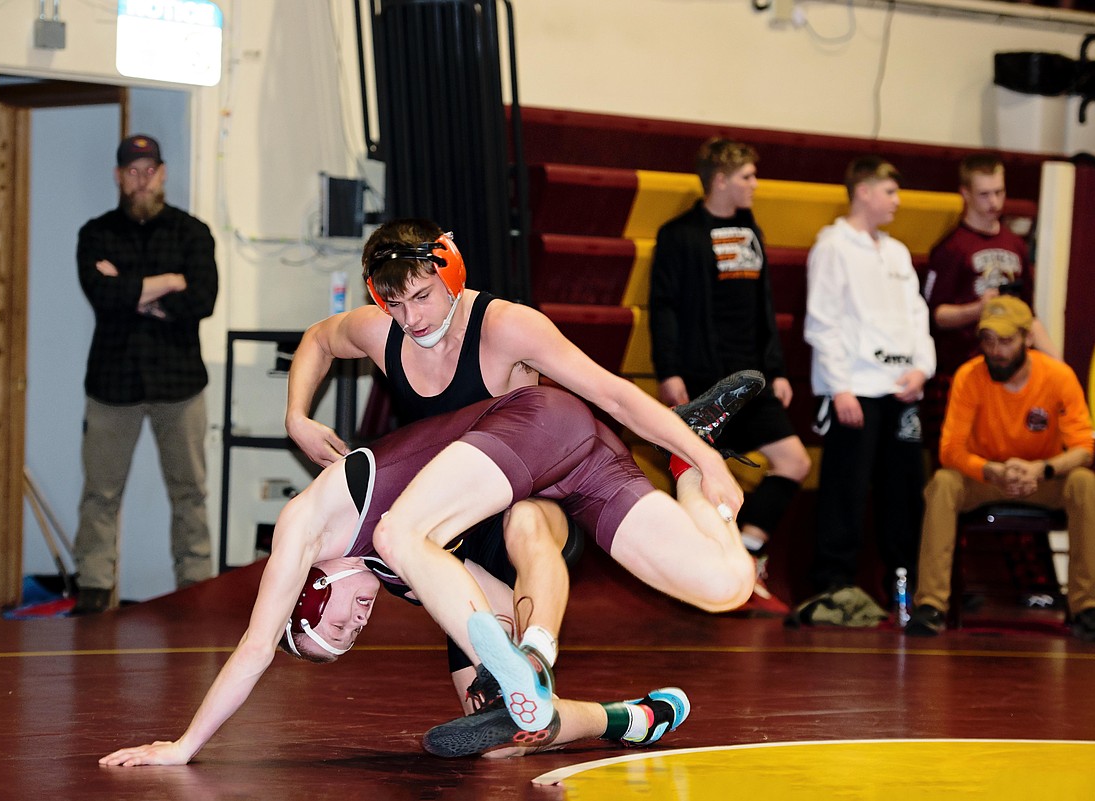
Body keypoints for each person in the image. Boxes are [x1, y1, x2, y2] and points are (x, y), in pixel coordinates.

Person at [100, 385, 737, 766]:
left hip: (538, 431)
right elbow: (512, 603)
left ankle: (531, 668)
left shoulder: (308, 523)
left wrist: (184, 745)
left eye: (337, 622)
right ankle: (629, 717)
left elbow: (255, 647)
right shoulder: (407, 573)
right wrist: (516, 651)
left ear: (310, 588)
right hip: (567, 472)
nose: (356, 624)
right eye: (350, 638)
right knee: (725, 586)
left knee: (403, 537)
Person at [283, 219, 755, 726]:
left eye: (421, 296)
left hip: (546, 488)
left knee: (727, 585)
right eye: (395, 304)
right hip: (459, 522)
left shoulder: (505, 326)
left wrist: (705, 463)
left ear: (453, 271)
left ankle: (536, 653)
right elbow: (319, 339)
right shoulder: (382, 332)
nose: (412, 318)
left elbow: (614, 395)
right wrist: (296, 416)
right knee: (505, 731)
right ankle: (627, 719)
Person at [649, 138, 811, 615]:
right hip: (703, 379)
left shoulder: (750, 229)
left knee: (795, 463)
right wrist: (669, 370)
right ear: (720, 180)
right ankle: (701, 582)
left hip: (753, 378)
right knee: (701, 477)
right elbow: (665, 308)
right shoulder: (678, 234)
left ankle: (745, 553)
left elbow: (764, 306)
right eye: (747, 176)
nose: (755, 184)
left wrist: (776, 369)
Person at [905, 296, 1095, 642]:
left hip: (1043, 479)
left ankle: (1088, 608)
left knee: (1085, 484)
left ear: (1028, 339)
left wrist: (1041, 470)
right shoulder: (969, 376)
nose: (995, 350)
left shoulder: (1059, 377)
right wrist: (992, 471)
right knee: (943, 483)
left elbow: (1083, 449)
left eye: (1005, 341)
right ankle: (930, 606)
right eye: (988, 341)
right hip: (986, 477)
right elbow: (950, 450)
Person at [71, 134, 218, 615]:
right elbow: (104, 298)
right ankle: (93, 592)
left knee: (190, 493)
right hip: (113, 384)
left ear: (163, 172)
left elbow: (201, 302)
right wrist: (169, 283)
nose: (141, 178)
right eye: (131, 170)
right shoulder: (95, 234)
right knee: (100, 494)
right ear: (118, 176)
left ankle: (196, 588)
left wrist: (132, 290)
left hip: (180, 384)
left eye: (149, 168)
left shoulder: (193, 233)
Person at [803, 156, 935, 604]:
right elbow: (823, 321)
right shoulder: (833, 246)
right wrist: (839, 386)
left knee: (904, 490)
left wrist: (922, 368)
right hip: (856, 389)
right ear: (863, 191)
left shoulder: (896, 252)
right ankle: (833, 581)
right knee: (847, 487)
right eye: (890, 191)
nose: (898, 201)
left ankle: (903, 579)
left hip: (903, 388)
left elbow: (918, 315)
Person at [921, 154, 1059, 447]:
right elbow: (936, 314)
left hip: (1007, 371)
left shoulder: (1015, 244)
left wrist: (1058, 366)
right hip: (963, 368)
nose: (994, 202)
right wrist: (978, 309)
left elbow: (1028, 312)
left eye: (999, 192)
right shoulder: (952, 248)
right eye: (984, 194)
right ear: (965, 194)